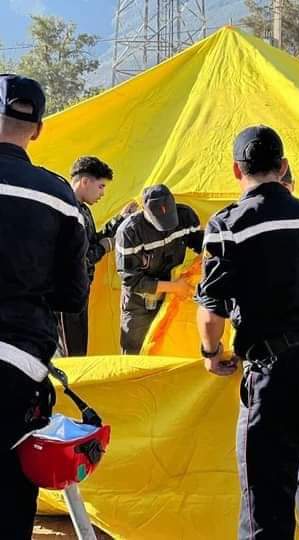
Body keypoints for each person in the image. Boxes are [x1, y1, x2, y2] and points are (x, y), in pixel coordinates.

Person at [195, 125, 299, 539]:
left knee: (264, 496)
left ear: (236, 170)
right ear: (283, 167)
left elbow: (211, 311)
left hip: (275, 369)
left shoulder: (228, 224)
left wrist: (211, 353)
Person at [0, 74, 88, 539]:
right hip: (19, 364)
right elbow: (72, 297)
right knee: (12, 492)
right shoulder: (58, 196)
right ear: (38, 129)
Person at [57, 156, 138, 356]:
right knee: (71, 354)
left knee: (77, 350)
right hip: (65, 293)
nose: (103, 193)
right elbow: (77, 259)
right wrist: (103, 247)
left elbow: (91, 241)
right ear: (85, 181)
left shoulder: (82, 210)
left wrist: (120, 220)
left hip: (77, 291)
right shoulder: (68, 212)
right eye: (101, 186)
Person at [115, 184, 203, 354]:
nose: (167, 226)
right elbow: (131, 281)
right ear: (144, 211)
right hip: (139, 302)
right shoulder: (129, 232)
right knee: (134, 353)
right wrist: (175, 287)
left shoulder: (186, 216)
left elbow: (202, 246)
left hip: (172, 299)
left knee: (168, 349)